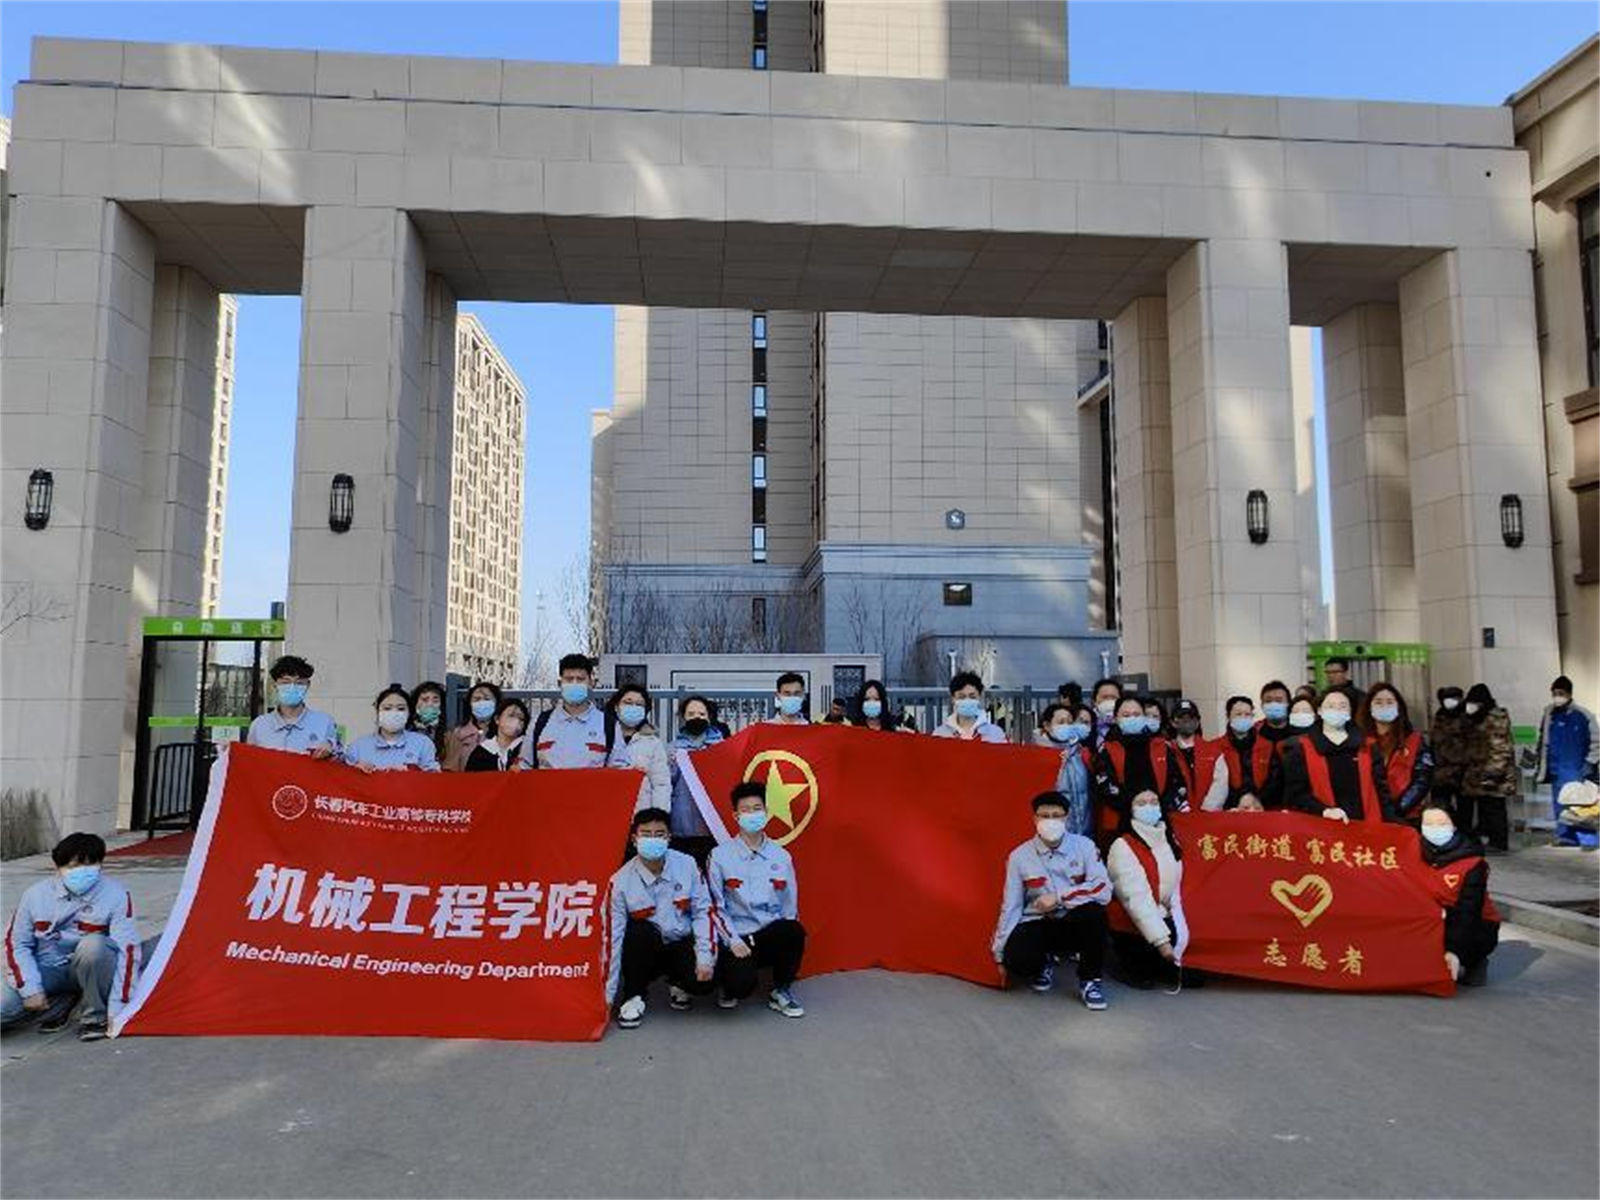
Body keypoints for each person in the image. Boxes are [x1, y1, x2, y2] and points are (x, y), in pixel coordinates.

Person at [2, 834, 140, 1041]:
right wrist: (30, 989)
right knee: (4, 1007)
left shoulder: (116, 895)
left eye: (90, 864)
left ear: (100, 864)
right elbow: (16, 944)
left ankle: (94, 1017)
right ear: (57, 867)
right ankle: (62, 1004)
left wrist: (119, 1010)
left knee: (93, 945)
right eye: (73, 866)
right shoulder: (34, 895)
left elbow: (127, 951)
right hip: (47, 969)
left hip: (92, 968)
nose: (82, 871)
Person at [992, 791, 1111, 1011]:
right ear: (1034, 819)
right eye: (1044, 816)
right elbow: (1011, 905)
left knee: (1095, 913)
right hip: (1038, 921)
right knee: (1016, 960)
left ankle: (1090, 980)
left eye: (1056, 816)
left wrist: (1059, 897)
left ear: (1066, 818)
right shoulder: (1019, 856)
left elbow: (1103, 889)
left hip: (1074, 921)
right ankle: (1043, 961)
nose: (1050, 821)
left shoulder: (1084, 846)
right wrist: (1000, 954)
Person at [606, 808, 715, 1028]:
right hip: (646, 949)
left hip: (680, 941)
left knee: (704, 984)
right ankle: (634, 995)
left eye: (659, 834)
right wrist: (607, 996)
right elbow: (612, 939)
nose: (653, 839)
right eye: (646, 834)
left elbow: (703, 912)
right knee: (637, 932)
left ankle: (678, 982)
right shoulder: (620, 882)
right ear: (634, 839)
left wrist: (705, 958)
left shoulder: (688, 865)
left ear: (669, 837)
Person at [706, 782, 806, 1017]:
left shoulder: (781, 856)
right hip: (738, 937)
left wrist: (787, 938)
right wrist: (732, 940)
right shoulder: (719, 856)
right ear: (736, 816)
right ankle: (728, 983)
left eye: (757, 808)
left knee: (793, 930)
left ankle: (781, 990)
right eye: (746, 810)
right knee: (739, 987)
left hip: (768, 934)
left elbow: (789, 905)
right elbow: (714, 906)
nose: (752, 814)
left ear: (766, 812)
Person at [1106, 795, 1192, 991]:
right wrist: (1162, 942)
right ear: (1130, 809)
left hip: (1167, 915)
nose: (1149, 807)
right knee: (1143, 976)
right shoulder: (1122, 846)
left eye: (1154, 802)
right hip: (1133, 921)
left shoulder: (1171, 839)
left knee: (1192, 977)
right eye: (1141, 803)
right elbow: (1136, 898)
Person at [1269, 690, 1393, 823]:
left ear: (1350, 712)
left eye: (1343, 706)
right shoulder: (1300, 747)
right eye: (1331, 706)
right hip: (1320, 825)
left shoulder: (1367, 746)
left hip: (1366, 824)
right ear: (1320, 711)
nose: (1337, 710)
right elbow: (1296, 794)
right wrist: (1324, 811)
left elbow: (1382, 792)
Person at [1418, 802, 1499, 986]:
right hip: (1431, 918)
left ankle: (1472, 961)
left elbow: (1469, 910)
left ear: (1454, 826)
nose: (1435, 829)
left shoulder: (1472, 863)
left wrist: (1454, 951)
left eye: (1442, 824)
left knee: (1464, 928)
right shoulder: (1415, 853)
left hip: (1472, 922)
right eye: (1428, 824)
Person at [1092, 695, 1184, 844]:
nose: (1132, 718)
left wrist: (1156, 805)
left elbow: (1175, 780)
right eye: (1126, 715)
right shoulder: (1107, 749)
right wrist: (1136, 806)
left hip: (1159, 818)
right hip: (1120, 821)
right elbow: (1105, 786)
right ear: (1116, 719)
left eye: (1136, 714)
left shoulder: (1161, 746)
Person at [520, 654, 630, 769]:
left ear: (591, 683)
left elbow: (619, 770)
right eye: (569, 679)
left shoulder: (609, 725)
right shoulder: (539, 723)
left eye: (580, 679)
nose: (574, 683)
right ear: (560, 684)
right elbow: (524, 766)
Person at [1534, 675, 1600, 847]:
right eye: (1554, 693)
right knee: (1559, 804)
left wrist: (1590, 763)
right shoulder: (1549, 714)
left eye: (1561, 693)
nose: (1557, 697)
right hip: (1556, 768)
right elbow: (1543, 741)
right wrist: (1540, 763)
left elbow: (1597, 742)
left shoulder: (1583, 715)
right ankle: (1564, 837)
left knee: (1579, 805)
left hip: (1576, 769)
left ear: (1569, 694)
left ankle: (1585, 838)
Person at [1359, 682, 1433, 823]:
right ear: (1369, 707)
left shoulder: (1414, 740)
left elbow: (1422, 780)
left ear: (1399, 707)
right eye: (1378, 702)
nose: (1384, 706)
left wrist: (1396, 810)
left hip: (1405, 815)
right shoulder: (1359, 740)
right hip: (1368, 814)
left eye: (1390, 702)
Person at [246, 654, 340, 758]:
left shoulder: (324, 722)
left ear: (307, 685)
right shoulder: (259, 725)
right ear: (275, 685)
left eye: (299, 683)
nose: (292, 687)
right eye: (285, 682)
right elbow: (249, 761)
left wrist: (331, 750)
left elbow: (339, 760)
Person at [667, 695, 724, 867]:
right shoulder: (672, 749)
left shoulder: (722, 748)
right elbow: (667, 784)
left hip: (713, 826)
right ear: (683, 717)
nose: (696, 718)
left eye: (701, 714)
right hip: (682, 826)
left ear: (709, 717)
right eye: (691, 714)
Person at [1459, 683, 1515, 854]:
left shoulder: (1496, 719)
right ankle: (1487, 838)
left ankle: (1498, 843)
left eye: (1474, 703)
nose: (1470, 706)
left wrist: (1493, 774)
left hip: (1495, 773)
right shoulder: (1477, 718)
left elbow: (1501, 749)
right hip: (1479, 771)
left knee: (1494, 806)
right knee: (1484, 807)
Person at [344, 685, 442, 772]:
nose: (394, 713)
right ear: (378, 712)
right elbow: (345, 777)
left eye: (401, 709)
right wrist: (356, 770)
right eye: (387, 708)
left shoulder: (423, 743)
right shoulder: (358, 747)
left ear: (409, 713)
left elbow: (433, 777)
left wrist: (411, 770)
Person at [1034, 702, 1095, 837]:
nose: (1067, 726)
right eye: (1061, 722)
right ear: (1047, 726)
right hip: (1053, 834)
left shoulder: (1080, 754)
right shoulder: (1037, 755)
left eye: (1070, 722)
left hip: (1084, 832)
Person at [610, 684, 671, 812]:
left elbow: (661, 784)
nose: (633, 707)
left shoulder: (653, 743)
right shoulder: (603, 736)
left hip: (641, 814)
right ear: (616, 707)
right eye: (628, 702)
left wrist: (659, 815)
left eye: (639, 704)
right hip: (609, 809)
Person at [1168, 699, 1228, 812]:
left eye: (1191, 717)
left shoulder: (1213, 751)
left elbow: (1220, 784)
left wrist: (1206, 811)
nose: (1186, 721)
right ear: (1173, 722)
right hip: (1176, 815)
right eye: (1181, 717)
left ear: (1198, 721)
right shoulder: (1167, 751)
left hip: (1208, 816)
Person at [1216, 695, 1274, 811]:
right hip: (1229, 809)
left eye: (1247, 714)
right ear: (1228, 716)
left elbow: (1274, 779)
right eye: (1238, 714)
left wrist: (1257, 800)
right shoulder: (1216, 747)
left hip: (1261, 808)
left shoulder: (1267, 746)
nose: (1243, 718)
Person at [932, 670, 1007, 743]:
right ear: (953, 699)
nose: (967, 700)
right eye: (961, 697)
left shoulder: (996, 734)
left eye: (972, 697)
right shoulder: (940, 735)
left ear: (979, 698)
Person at [443, 680, 501, 772]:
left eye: (487, 699)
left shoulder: (503, 732)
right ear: (470, 704)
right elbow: (450, 767)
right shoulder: (458, 733)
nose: (482, 703)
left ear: (496, 703)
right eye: (477, 699)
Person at [1429, 686, 1469, 813]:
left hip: (1461, 772)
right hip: (1442, 773)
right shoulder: (1440, 716)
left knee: (1464, 810)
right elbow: (1434, 742)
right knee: (1440, 810)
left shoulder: (1466, 716)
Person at [464, 697, 531, 772]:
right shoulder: (481, 751)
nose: (516, 721)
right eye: (511, 715)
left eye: (521, 719)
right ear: (497, 719)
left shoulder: (527, 749)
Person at [408, 680, 448, 763]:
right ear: (416, 704)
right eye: (425, 700)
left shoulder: (447, 734)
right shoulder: (407, 729)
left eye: (435, 701)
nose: (430, 704)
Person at [1257, 680, 1297, 749]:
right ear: (1262, 705)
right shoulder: (1254, 732)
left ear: (1288, 703)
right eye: (1268, 701)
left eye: (1279, 701)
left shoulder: (1299, 732)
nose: (1273, 704)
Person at [1090, 678, 1124, 747]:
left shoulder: (1127, 724)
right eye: (1105, 697)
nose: (1109, 701)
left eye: (1113, 698)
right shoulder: (1088, 723)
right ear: (1094, 702)